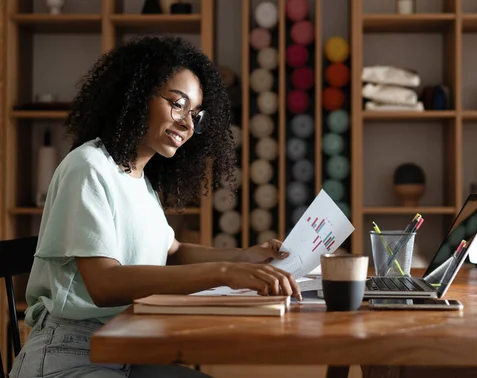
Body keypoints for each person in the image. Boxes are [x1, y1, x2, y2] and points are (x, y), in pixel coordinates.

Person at [9, 35, 301, 378]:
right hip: (69, 355)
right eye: (178, 105)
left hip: (125, 348)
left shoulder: (138, 180)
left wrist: (242, 257)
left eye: (195, 114)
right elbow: (104, 284)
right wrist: (223, 273)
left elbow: (173, 251)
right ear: (136, 94)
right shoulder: (88, 167)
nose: (188, 124)